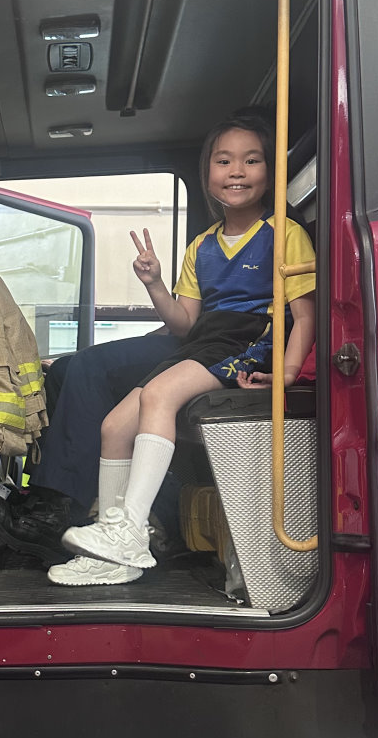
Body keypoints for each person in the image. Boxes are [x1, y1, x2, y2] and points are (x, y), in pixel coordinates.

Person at [47, 112, 316, 586]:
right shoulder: (202, 246)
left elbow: (306, 315)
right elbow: (185, 322)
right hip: (205, 339)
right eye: (224, 161)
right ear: (207, 172)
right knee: (114, 426)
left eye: (252, 161)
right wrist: (154, 284)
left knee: (158, 395)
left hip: (250, 339)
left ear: (270, 172)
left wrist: (289, 372)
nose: (237, 172)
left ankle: (132, 529)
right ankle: (112, 551)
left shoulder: (285, 234)